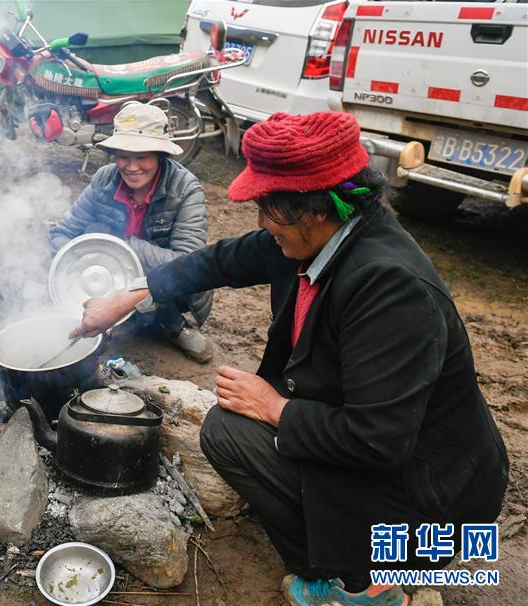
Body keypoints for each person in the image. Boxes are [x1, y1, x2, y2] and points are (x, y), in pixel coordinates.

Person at [69, 111, 509, 605]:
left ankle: (364, 584)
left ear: (314, 208)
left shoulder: (390, 288)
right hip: (378, 444)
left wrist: (275, 407)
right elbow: (218, 261)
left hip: (429, 497)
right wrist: (129, 295)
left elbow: (378, 440)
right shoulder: (313, 239)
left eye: (267, 208)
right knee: (227, 428)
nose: (260, 222)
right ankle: (336, 550)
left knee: (235, 429)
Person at [49, 102, 214, 363]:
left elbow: (188, 264)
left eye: (142, 157)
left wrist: (122, 245)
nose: (131, 166)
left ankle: (173, 325)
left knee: (161, 276)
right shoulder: (104, 179)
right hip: (107, 277)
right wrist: (80, 259)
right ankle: (105, 316)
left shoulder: (185, 189)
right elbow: (62, 233)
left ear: (160, 155)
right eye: (123, 156)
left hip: (162, 283)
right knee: (86, 239)